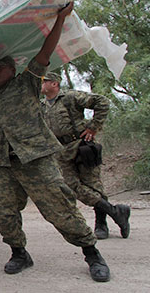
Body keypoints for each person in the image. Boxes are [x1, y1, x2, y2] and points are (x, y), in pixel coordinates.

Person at [0, 2, 111, 283]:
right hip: (3, 163)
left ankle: (92, 254)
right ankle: (19, 253)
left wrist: (60, 19)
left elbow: (46, 51)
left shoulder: (27, 82)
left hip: (35, 159)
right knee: (3, 211)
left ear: (12, 69)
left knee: (59, 208)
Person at [41, 72, 130, 240]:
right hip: (61, 150)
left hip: (81, 146)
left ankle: (101, 224)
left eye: (43, 81)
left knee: (93, 184)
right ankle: (116, 212)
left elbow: (102, 102)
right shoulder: (43, 105)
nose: (41, 85)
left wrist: (94, 126)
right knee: (72, 185)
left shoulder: (70, 97)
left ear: (54, 84)